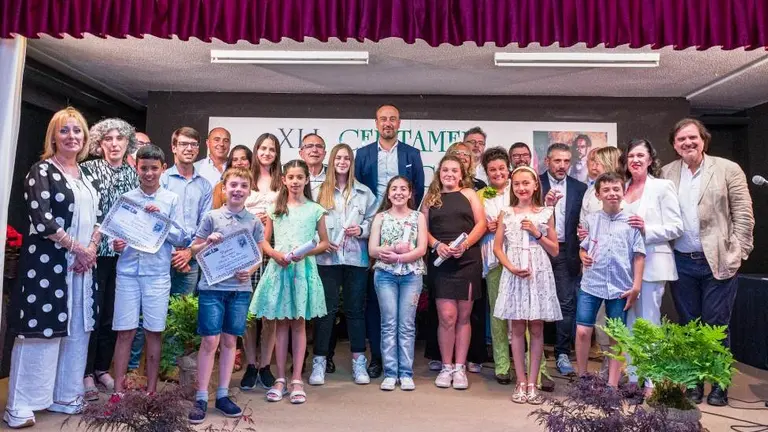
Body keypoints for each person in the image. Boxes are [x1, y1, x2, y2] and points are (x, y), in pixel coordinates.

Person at [5, 107, 101, 428]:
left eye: (77, 131)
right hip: (49, 268)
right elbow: (42, 219)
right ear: (53, 137)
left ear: (85, 137)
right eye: (64, 131)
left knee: (76, 332)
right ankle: (20, 404)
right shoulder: (41, 171)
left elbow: (98, 218)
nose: (71, 136)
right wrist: (78, 248)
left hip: (81, 269)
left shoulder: (86, 176)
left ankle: (65, 395)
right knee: (40, 334)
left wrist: (92, 248)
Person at [661, 118, 754, 406]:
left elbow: (743, 214)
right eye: (681, 140)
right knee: (690, 325)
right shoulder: (666, 173)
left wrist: (739, 252)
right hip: (682, 262)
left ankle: (720, 385)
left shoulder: (727, 169)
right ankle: (694, 383)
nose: (687, 143)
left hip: (719, 261)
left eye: (692, 138)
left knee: (716, 325)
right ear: (674, 145)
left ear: (704, 139)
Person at [188, 167, 265, 423]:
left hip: (239, 290)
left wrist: (250, 270)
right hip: (212, 289)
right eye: (233, 185)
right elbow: (194, 250)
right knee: (210, 341)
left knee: (231, 341)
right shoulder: (212, 217)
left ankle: (222, 395)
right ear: (224, 187)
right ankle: (201, 396)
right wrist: (207, 242)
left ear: (249, 191)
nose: (238, 189)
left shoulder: (253, 222)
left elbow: (258, 256)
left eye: (243, 185)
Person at [249, 160, 330, 404]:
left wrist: (305, 252)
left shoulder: (315, 209)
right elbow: (264, 241)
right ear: (283, 180)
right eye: (291, 177)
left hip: (302, 271)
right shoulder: (276, 208)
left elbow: (324, 243)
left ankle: (297, 378)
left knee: (299, 325)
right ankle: (280, 378)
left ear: (306, 180)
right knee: (280, 325)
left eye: (299, 177)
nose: (295, 181)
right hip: (279, 269)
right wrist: (275, 254)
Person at [111, 145, 189, 396]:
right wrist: (117, 244)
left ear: (163, 169)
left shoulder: (171, 199)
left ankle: (152, 391)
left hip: (157, 274)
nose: (148, 173)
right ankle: (118, 391)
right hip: (128, 273)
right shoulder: (126, 199)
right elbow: (115, 237)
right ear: (136, 167)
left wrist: (162, 221)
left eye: (154, 168)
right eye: (144, 168)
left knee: (154, 331)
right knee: (125, 331)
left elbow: (181, 237)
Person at [355, 103, 425, 378]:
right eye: (383, 119)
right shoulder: (362, 154)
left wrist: (411, 229)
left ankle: (402, 366)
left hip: (404, 229)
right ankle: (377, 358)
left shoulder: (412, 154)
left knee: (402, 309)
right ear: (376, 123)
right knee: (375, 300)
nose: (388, 123)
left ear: (399, 124)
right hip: (370, 231)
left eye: (392, 119)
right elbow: (358, 191)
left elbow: (417, 191)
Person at [80, 118, 139, 400]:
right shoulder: (86, 170)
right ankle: (85, 374)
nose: (114, 144)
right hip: (92, 256)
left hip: (122, 257)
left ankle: (103, 369)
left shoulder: (134, 174)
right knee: (90, 316)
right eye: (109, 139)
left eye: (120, 139)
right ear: (99, 143)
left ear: (128, 143)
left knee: (112, 317)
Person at [621, 138, 684, 399]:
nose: (635, 160)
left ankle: (653, 380)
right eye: (631, 156)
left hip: (652, 264)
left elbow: (676, 227)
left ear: (649, 160)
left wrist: (647, 228)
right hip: (625, 267)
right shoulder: (622, 188)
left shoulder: (662, 187)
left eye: (640, 155)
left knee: (650, 322)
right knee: (630, 324)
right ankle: (634, 377)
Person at [310, 144, 377, 386]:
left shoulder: (364, 192)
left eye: (346, 158)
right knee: (325, 311)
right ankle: (319, 360)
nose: (342, 161)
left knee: (355, 311)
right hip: (326, 259)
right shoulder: (318, 191)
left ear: (352, 162)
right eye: (338, 157)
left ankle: (359, 361)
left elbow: (373, 221)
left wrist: (361, 229)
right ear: (332, 160)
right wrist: (320, 242)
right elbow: (309, 221)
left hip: (355, 259)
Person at [493, 166, 561, 405]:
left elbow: (555, 249)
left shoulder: (545, 213)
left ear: (535, 186)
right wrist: (510, 267)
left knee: (537, 328)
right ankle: (520, 382)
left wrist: (537, 233)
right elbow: (498, 248)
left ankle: (533, 382)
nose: (521, 188)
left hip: (538, 272)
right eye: (517, 184)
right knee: (517, 328)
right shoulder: (506, 212)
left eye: (526, 183)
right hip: (514, 272)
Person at [422, 155, 486, 390]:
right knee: (446, 317)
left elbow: (481, 224)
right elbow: (422, 228)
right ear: (439, 173)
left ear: (462, 174)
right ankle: (446, 366)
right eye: (445, 170)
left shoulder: (470, 194)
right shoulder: (431, 198)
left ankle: (460, 367)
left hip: (467, 261)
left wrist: (465, 244)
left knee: (463, 317)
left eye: (454, 170)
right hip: (441, 261)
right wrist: (437, 245)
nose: (449, 174)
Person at [576, 172, 645, 388]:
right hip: (591, 284)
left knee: (617, 336)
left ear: (623, 192)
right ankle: (582, 377)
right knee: (583, 330)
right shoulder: (591, 220)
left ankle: (612, 385)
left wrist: (636, 286)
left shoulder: (632, 221)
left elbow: (639, 255)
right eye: (606, 190)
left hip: (620, 287)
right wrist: (582, 256)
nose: (612, 193)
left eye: (616, 189)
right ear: (598, 195)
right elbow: (584, 247)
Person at [368, 176, 428, 391]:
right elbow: (372, 250)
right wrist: (390, 250)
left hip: (411, 275)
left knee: (407, 324)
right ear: (389, 193)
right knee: (389, 323)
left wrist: (401, 258)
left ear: (410, 193)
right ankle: (390, 373)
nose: (399, 192)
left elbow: (421, 249)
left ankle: (406, 373)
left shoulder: (418, 217)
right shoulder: (380, 217)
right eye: (394, 189)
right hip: (385, 275)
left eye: (403, 188)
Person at [540, 143, 587, 376]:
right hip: (538, 248)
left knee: (566, 304)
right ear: (547, 161)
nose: (562, 165)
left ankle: (561, 353)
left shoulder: (580, 188)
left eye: (566, 161)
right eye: (557, 161)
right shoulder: (534, 183)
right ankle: (535, 355)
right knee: (534, 302)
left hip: (567, 251)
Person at [240, 133, 282, 390]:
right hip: (246, 250)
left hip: (273, 250)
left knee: (269, 312)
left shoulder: (281, 182)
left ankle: (266, 365)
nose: (267, 153)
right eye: (263, 148)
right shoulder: (246, 177)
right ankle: (250, 364)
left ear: (277, 154)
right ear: (256, 151)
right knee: (247, 311)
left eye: (272, 149)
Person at [577, 145, 622, 381]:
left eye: (597, 161)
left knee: (614, 323)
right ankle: (605, 360)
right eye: (590, 161)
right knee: (595, 321)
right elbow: (584, 232)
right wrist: (582, 249)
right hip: (593, 268)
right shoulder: (588, 192)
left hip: (617, 270)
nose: (591, 165)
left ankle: (615, 369)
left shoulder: (619, 192)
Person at [160, 127, 214, 296]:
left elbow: (205, 224)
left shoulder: (205, 186)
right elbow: (157, 220)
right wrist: (174, 254)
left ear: (198, 149)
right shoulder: (162, 180)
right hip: (162, 255)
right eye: (183, 144)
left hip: (191, 258)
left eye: (193, 144)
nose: (189, 148)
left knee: (183, 315)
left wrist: (188, 252)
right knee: (156, 311)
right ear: (173, 147)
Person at [476, 148, 512, 384]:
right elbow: (475, 227)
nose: (498, 173)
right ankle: (502, 365)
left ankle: (537, 367)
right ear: (486, 173)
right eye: (492, 170)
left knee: (527, 316)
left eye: (501, 168)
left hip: (520, 256)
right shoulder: (480, 196)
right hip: (492, 257)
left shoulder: (520, 188)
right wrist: (484, 230)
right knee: (497, 313)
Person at [299, 133, 327, 198]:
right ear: (301, 153)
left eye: (319, 146)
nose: (314, 150)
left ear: (324, 153)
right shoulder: (293, 176)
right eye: (309, 146)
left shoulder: (334, 175)